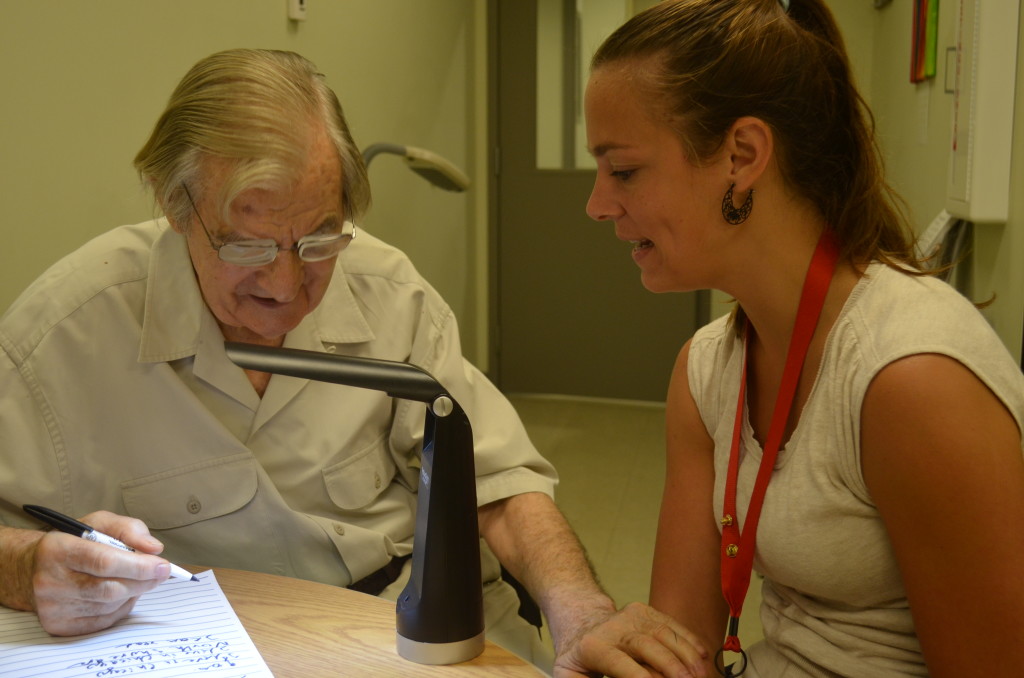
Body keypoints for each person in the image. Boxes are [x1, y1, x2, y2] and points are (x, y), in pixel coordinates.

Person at [0, 48, 708, 677]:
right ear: (174, 204)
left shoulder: (388, 292)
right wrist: (26, 568)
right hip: (198, 647)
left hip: (399, 633)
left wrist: (580, 609)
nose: (283, 287)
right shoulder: (65, 333)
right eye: (246, 247)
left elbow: (496, 485)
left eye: (315, 243)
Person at [581, 1, 1024, 676]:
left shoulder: (911, 378)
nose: (598, 203)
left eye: (624, 169)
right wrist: (623, 643)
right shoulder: (704, 371)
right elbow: (681, 648)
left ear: (743, 155)